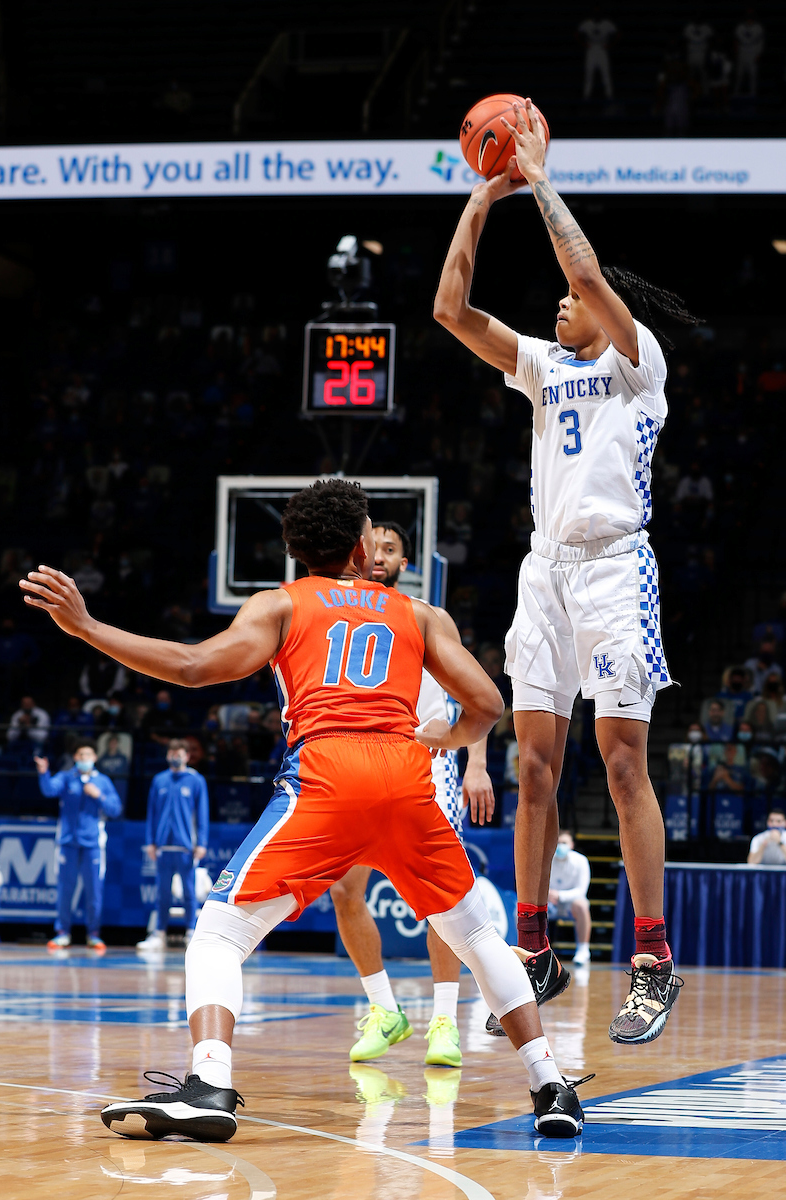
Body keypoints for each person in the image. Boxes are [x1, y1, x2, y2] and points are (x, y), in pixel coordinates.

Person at [21, 480, 588, 1141]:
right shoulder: (420, 615)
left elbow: (194, 666)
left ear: (294, 553)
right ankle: (550, 1085)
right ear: (358, 547)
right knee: (477, 938)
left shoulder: (281, 605)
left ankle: (208, 1081)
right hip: (408, 781)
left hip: (326, 779)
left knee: (217, 936)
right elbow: (488, 703)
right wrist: (448, 739)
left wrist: (87, 626)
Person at [433, 99, 697, 1046]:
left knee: (623, 762)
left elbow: (582, 266)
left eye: (572, 298)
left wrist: (538, 177)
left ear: (607, 309)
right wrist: (479, 198)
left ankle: (654, 960)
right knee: (533, 768)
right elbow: (449, 312)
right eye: (557, 299)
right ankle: (534, 942)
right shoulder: (543, 365)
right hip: (544, 573)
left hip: (616, 571)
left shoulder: (638, 363)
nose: (559, 300)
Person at [329, 522, 495, 1069]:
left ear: (406, 563)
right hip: (363, 765)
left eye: (390, 549)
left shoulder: (422, 616)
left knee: (441, 901)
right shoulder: (338, 609)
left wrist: (477, 763)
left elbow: (473, 696)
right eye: (372, 546)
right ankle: (385, 1011)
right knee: (344, 891)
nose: (378, 555)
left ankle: (444, 1021)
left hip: (430, 760)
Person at [34, 738, 123, 950]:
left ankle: (93, 933)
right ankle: (63, 932)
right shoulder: (66, 778)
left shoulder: (103, 782)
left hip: (92, 844)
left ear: (95, 758)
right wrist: (43, 773)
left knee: (94, 890)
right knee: (66, 889)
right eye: (81, 755)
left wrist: (98, 795)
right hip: (68, 843)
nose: (84, 759)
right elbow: (49, 790)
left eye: (88, 755)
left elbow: (115, 809)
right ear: (75, 758)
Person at [137, 738, 209, 950]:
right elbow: (151, 813)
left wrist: (202, 842)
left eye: (180, 753)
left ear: (187, 756)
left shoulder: (196, 780)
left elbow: (202, 814)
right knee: (162, 892)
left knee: (189, 891)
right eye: (172, 753)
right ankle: (159, 933)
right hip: (162, 846)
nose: (175, 756)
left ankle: (191, 931)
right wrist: (150, 842)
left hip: (186, 846)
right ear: (167, 755)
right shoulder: (159, 780)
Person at [548, 830, 592, 967]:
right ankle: (539, 950)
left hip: (570, 904)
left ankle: (583, 951)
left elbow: (581, 891)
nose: (561, 846)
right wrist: (548, 894)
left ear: (571, 844)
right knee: (533, 906)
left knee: (582, 905)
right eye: (558, 843)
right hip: (550, 903)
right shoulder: (547, 859)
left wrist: (560, 895)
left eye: (564, 843)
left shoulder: (581, 861)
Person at [578, 13, 617, 100]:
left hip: (602, 50)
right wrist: (584, 44)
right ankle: (586, 97)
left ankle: (609, 96)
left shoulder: (606, 23)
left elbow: (617, 33)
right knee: (589, 74)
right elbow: (577, 33)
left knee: (606, 74)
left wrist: (610, 45)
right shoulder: (587, 23)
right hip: (591, 50)